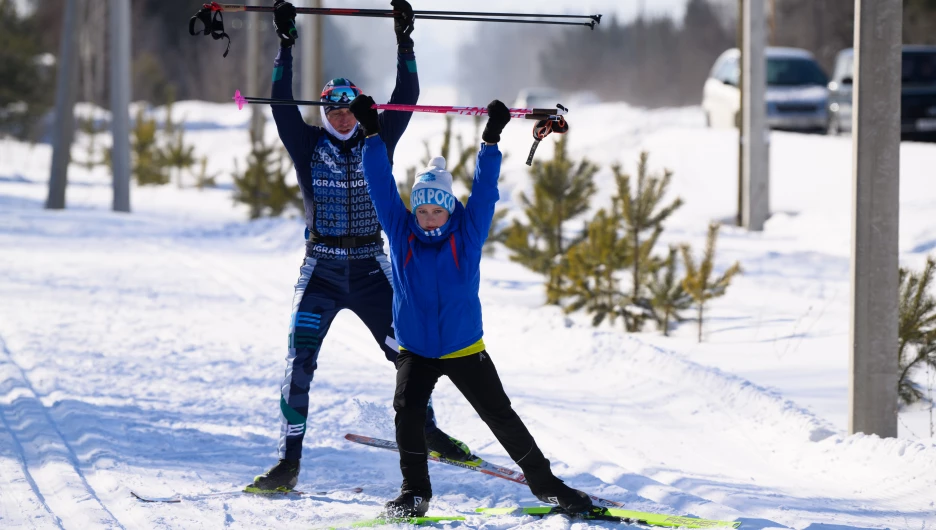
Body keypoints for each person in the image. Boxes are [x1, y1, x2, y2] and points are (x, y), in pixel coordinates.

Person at [247, 0, 471, 494]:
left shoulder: (379, 135)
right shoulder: (305, 143)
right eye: (333, 109)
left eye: (349, 108)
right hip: (322, 271)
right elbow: (280, 100)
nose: (343, 117)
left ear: (360, 108)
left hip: (372, 269)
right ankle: (288, 462)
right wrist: (286, 45)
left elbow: (407, 93)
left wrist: (404, 40)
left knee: (409, 354)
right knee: (297, 362)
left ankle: (428, 430)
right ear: (324, 111)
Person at [349, 95, 597, 517]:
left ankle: (546, 485)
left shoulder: (466, 236)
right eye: (422, 209)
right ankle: (414, 493)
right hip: (416, 350)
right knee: (408, 413)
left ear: (449, 212)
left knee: (500, 416)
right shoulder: (401, 231)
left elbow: (483, 194)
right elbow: (380, 186)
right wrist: (371, 133)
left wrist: (491, 140)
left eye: (436, 210)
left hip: (464, 347)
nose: (428, 217)